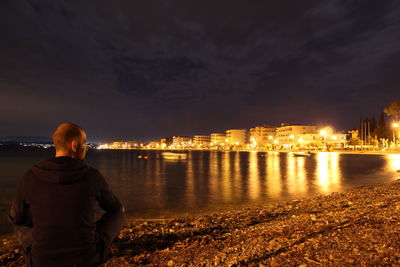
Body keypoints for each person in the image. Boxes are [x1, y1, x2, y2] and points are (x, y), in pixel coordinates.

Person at [9, 122, 126, 266]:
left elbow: (17, 217)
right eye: (85, 143)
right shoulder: (92, 175)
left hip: (41, 260)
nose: (86, 148)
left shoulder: (30, 176)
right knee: (120, 212)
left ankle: (41, 243)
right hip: (87, 257)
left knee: (17, 221)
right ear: (74, 145)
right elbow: (114, 208)